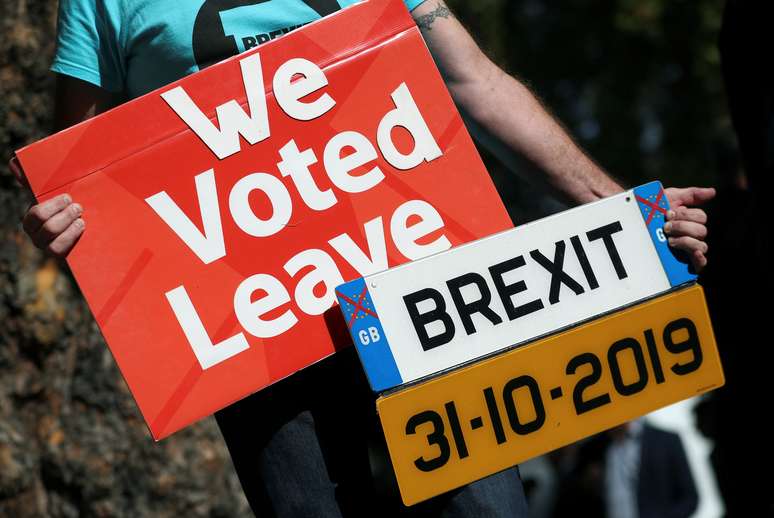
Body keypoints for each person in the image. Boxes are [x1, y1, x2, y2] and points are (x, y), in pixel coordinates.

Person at [13, 1, 715, 516]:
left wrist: (624, 208)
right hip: (251, 339)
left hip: (425, 306)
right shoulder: (99, 2)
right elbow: (74, 169)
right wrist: (60, 220)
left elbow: (477, 84)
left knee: (486, 513)